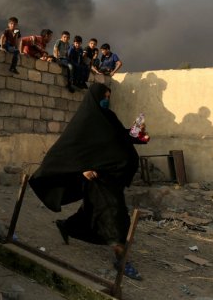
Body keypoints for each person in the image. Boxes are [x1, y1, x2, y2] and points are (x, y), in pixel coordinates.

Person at [28, 83, 147, 281]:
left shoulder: (108, 118)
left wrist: (139, 133)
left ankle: (67, 226)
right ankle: (121, 259)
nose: (107, 100)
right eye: (104, 96)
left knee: (92, 213)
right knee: (114, 215)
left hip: (112, 179)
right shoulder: (84, 121)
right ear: (95, 97)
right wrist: (82, 168)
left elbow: (122, 137)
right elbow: (67, 150)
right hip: (96, 180)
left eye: (109, 96)